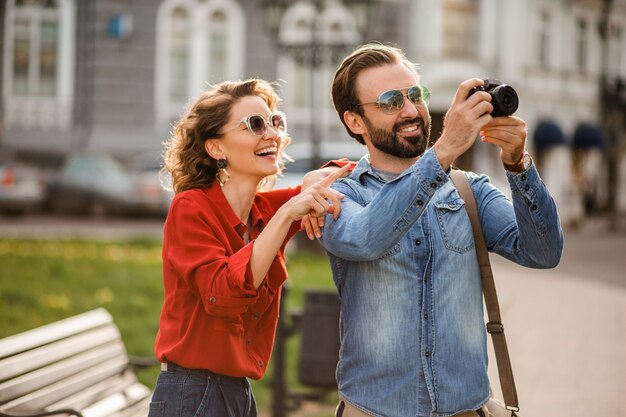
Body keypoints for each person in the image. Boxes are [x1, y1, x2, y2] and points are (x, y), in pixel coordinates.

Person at [318, 43, 564, 417]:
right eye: (389, 102)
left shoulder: (469, 190)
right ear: (355, 121)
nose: (411, 110)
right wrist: (446, 148)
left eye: (415, 95)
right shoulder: (338, 195)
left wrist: (518, 166)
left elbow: (543, 253)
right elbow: (366, 238)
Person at [147, 78, 349, 417]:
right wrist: (287, 214)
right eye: (255, 124)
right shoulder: (190, 209)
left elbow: (350, 174)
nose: (272, 134)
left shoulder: (262, 211)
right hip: (192, 394)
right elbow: (222, 294)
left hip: (236, 392)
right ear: (216, 148)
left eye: (275, 121)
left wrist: (323, 175)